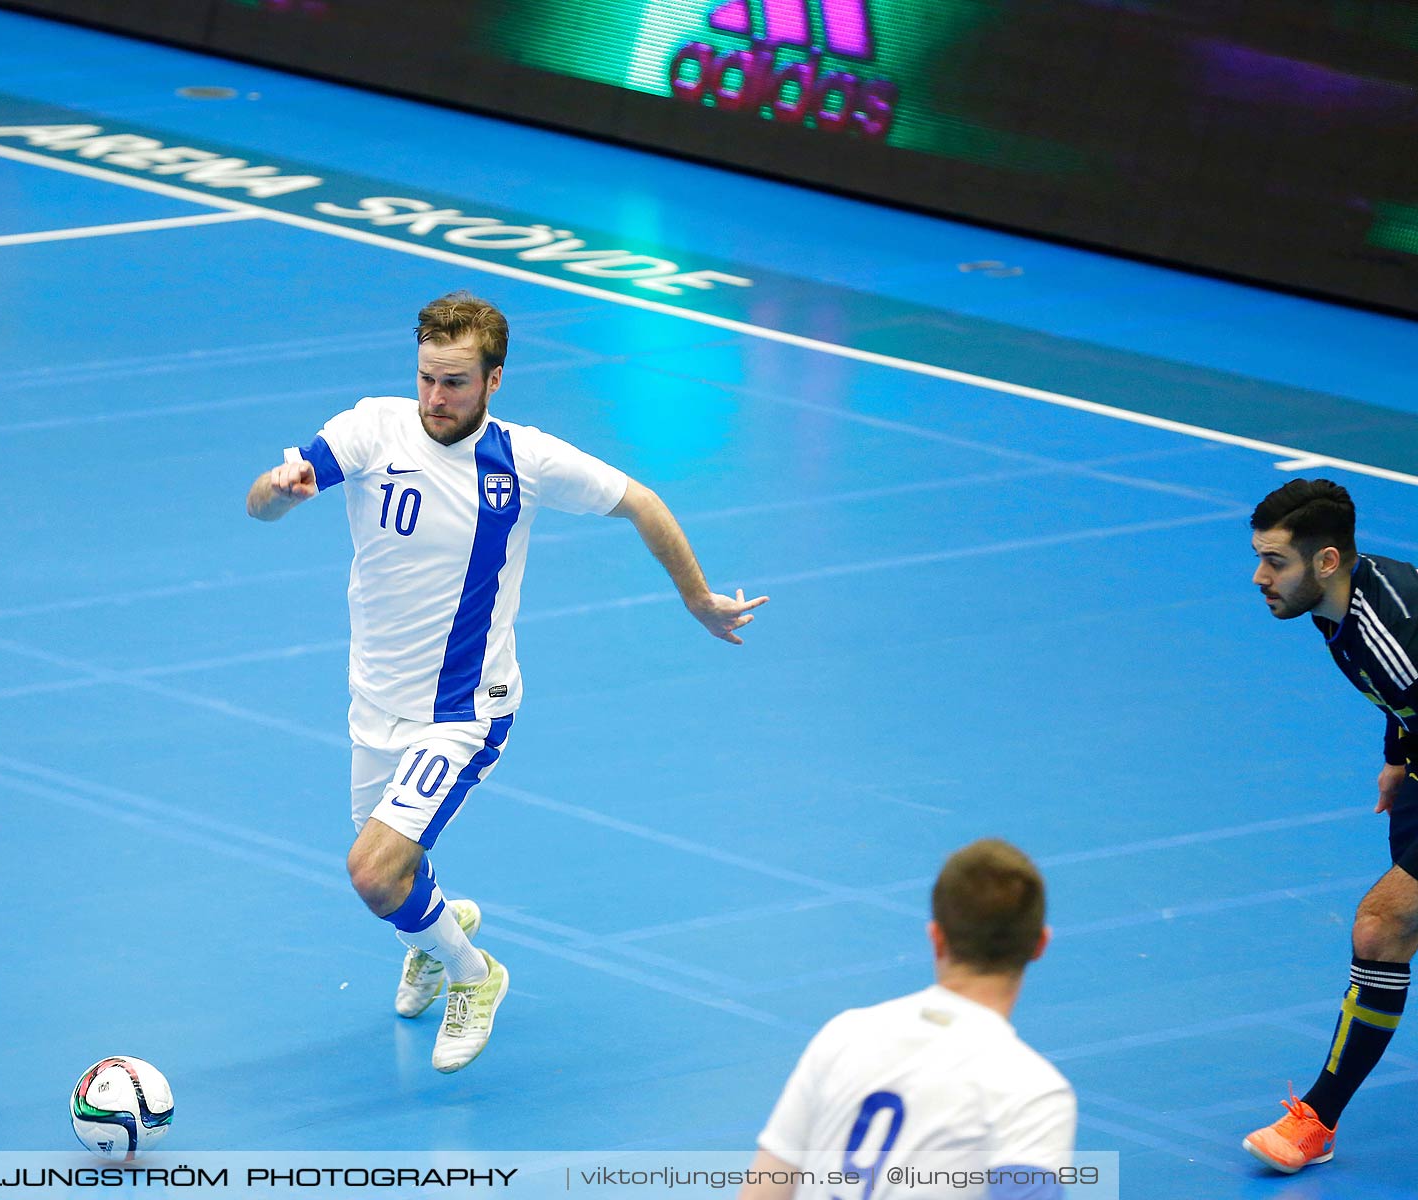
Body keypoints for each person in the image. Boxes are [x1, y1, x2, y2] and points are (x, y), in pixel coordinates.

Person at [246, 291, 767, 1073]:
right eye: (426, 377)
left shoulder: (523, 460)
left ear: (495, 381)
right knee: (394, 877)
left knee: (372, 869)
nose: (434, 399)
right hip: (374, 704)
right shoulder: (368, 428)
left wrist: (697, 598)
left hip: (466, 711)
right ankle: (438, 933)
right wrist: (276, 492)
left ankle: (475, 975)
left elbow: (643, 503)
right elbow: (261, 505)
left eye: (455, 382)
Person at [1242, 478, 1418, 1173]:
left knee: (1384, 922)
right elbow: (1402, 696)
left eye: (1274, 561)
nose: (1259, 577)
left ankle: (1317, 1118)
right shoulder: (1341, 608)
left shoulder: (1388, 631)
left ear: (1326, 561)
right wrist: (1398, 757)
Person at [738, 839, 1075, 1200]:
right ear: (1040, 943)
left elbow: (765, 1188)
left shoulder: (845, 1035)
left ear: (936, 938)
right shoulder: (1031, 1093)